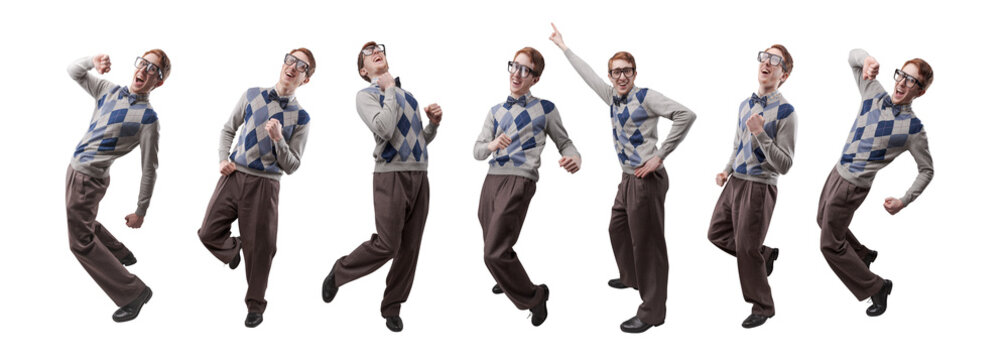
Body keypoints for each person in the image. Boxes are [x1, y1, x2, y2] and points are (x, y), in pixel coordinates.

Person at [550, 24, 696, 333]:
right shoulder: (613, 97)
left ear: (635, 73)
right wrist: (564, 47)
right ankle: (632, 277)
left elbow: (686, 115)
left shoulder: (645, 97)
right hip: (628, 179)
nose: (621, 77)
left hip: (647, 179)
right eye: (615, 72)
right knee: (617, 227)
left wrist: (660, 156)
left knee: (648, 245)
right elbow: (588, 76)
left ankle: (652, 312)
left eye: (626, 71)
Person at [321, 42, 443, 333]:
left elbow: (417, 141)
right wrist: (388, 90)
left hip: (420, 176)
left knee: (410, 248)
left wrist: (434, 125)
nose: (377, 52)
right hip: (389, 176)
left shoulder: (409, 97)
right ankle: (340, 272)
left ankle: (392, 306)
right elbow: (385, 129)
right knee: (389, 244)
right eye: (368, 52)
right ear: (364, 70)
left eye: (380, 49)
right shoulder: (366, 95)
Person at [197, 48, 315, 328]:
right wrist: (222, 159)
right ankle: (233, 249)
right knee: (208, 232)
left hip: (266, 184)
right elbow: (228, 128)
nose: (293, 66)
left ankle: (255, 306)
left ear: (306, 79)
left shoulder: (301, 117)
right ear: (283, 63)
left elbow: (293, 165)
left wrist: (278, 139)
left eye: (302, 66)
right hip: (234, 175)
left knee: (261, 249)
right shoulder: (252, 94)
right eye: (291, 59)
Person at [818, 48, 934, 317]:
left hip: (852, 186)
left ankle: (877, 287)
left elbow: (927, 170)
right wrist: (867, 60)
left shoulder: (913, 129)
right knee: (822, 220)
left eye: (912, 81)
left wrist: (904, 201)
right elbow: (852, 57)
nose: (902, 82)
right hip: (836, 171)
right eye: (901, 75)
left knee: (829, 244)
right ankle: (862, 255)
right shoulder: (875, 93)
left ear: (921, 92)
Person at [474, 46, 581, 327]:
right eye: (514, 66)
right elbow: (476, 150)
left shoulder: (545, 109)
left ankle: (535, 297)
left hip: (520, 179)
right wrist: (492, 145)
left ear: (535, 78)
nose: (517, 73)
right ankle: (508, 279)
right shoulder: (495, 111)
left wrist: (574, 156)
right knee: (495, 243)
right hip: (492, 178)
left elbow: (565, 142)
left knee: (493, 252)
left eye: (525, 69)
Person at [66, 49, 170, 322]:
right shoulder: (108, 90)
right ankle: (120, 253)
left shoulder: (148, 120)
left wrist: (141, 210)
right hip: (74, 169)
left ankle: (133, 293)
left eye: (153, 70)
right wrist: (92, 60)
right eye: (143, 63)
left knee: (79, 242)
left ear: (158, 82)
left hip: (90, 179)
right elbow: (73, 71)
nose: (145, 71)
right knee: (80, 221)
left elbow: (149, 169)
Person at [707, 45, 797, 329]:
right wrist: (726, 169)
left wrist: (761, 133)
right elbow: (736, 145)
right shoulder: (745, 105)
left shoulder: (786, 113)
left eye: (775, 61)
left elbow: (785, 164)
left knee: (746, 249)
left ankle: (763, 306)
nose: (766, 63)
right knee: (716, 233)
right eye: (764, 57)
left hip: (760, 187)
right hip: (735, 182)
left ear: (784, 73)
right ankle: (764, 255)